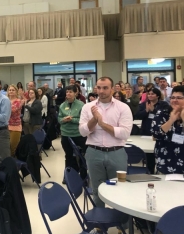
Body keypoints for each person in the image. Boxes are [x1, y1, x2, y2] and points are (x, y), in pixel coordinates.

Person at [79, 77, 132, 208]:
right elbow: (82, 132)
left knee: (120, 189)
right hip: (94, 152)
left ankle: (122, 226)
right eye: (99, 88)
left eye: (105, 88)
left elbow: (125, 133)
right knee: (97, 191)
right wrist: (94, 120)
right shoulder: (88, 107)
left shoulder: (123, 107)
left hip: (116, 152)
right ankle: (99, 225)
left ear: (112, 89)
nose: (101, 91)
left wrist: (102, 124)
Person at [152, 86, 184, 175]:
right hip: (165, 162)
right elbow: (156, 134)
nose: (174, 100)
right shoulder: (163, 113)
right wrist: (171, 120)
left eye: (179, 98)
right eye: (172, 97)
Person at [136, 88, 169, 174]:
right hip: (146, 132)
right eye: (149, 94)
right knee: (149, 154)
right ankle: (150, 171)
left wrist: (153, 111)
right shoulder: (144, 104)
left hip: (159, 132)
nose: (150, 95)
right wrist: (146, 111)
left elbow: (165, 116)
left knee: (159, 153)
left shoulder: (163, 104)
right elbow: (137, 116)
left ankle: (161, 170)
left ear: (157, 95)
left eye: (152, 94)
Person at [59, 85, 86, 182]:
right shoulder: (63, 105)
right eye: (67, 92)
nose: (68, 94)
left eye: (70, 92)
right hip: (66, 134)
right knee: (68, 156)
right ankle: (69, 177)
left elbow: (84, 120)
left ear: (76, 93)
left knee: (82, 156)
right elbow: (59, 119)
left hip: (78, 134)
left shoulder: (81, 105)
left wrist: (72, 120)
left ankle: (83, 177)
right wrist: (63, 120)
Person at [6, 85, 23, 156]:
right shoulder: (6, 100)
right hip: (6, 126)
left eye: (13, 90)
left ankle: (14, 165)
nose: (11, 91)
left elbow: (12, 110)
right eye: (10, 90)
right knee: (6, 147)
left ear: (16, 92)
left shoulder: (18, 101)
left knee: (13, 148)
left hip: (15, 127)